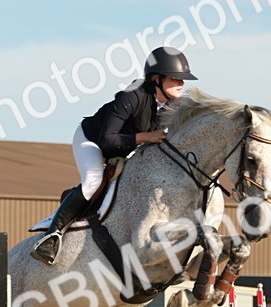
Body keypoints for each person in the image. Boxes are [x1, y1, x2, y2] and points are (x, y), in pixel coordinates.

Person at [31, 46, 197, 265]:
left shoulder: (173, 105)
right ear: (157, 79)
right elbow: (106, 140)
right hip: (91, 141)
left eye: (182, 80)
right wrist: (146, 137)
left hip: (125, 148)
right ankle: (52, 237)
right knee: (93, 181)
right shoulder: (133, 96)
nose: (181, 84)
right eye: (176, 78)